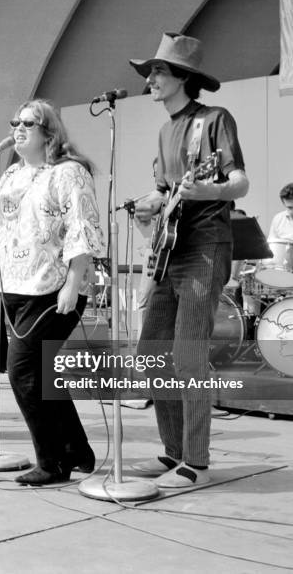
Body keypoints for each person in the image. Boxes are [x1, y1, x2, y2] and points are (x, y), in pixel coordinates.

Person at [130, 33, 249, 487]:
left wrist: (210, 190)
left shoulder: (214, 120)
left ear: (183, 77)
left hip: (205, 246)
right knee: (154, 349)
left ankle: (196, 462)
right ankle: (173, 450)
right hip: (169, 248)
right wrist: (148, 203)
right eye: (152, 72)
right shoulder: (163, 131)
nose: (151, 79)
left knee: (188, 354)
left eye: (158, 71)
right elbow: (164, 193)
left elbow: (239, 183)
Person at [0, 98, 104, 485]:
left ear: (48, 132)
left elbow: (83, 226)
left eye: (28, 124)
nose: (18, 128)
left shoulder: (68, 173)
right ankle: (78, 450)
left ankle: (51, 462)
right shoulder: (12, 176)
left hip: (52, 290)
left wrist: (72, 281)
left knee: (23, 374)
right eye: (14, 122)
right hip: (15, 288)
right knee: (43, 374)